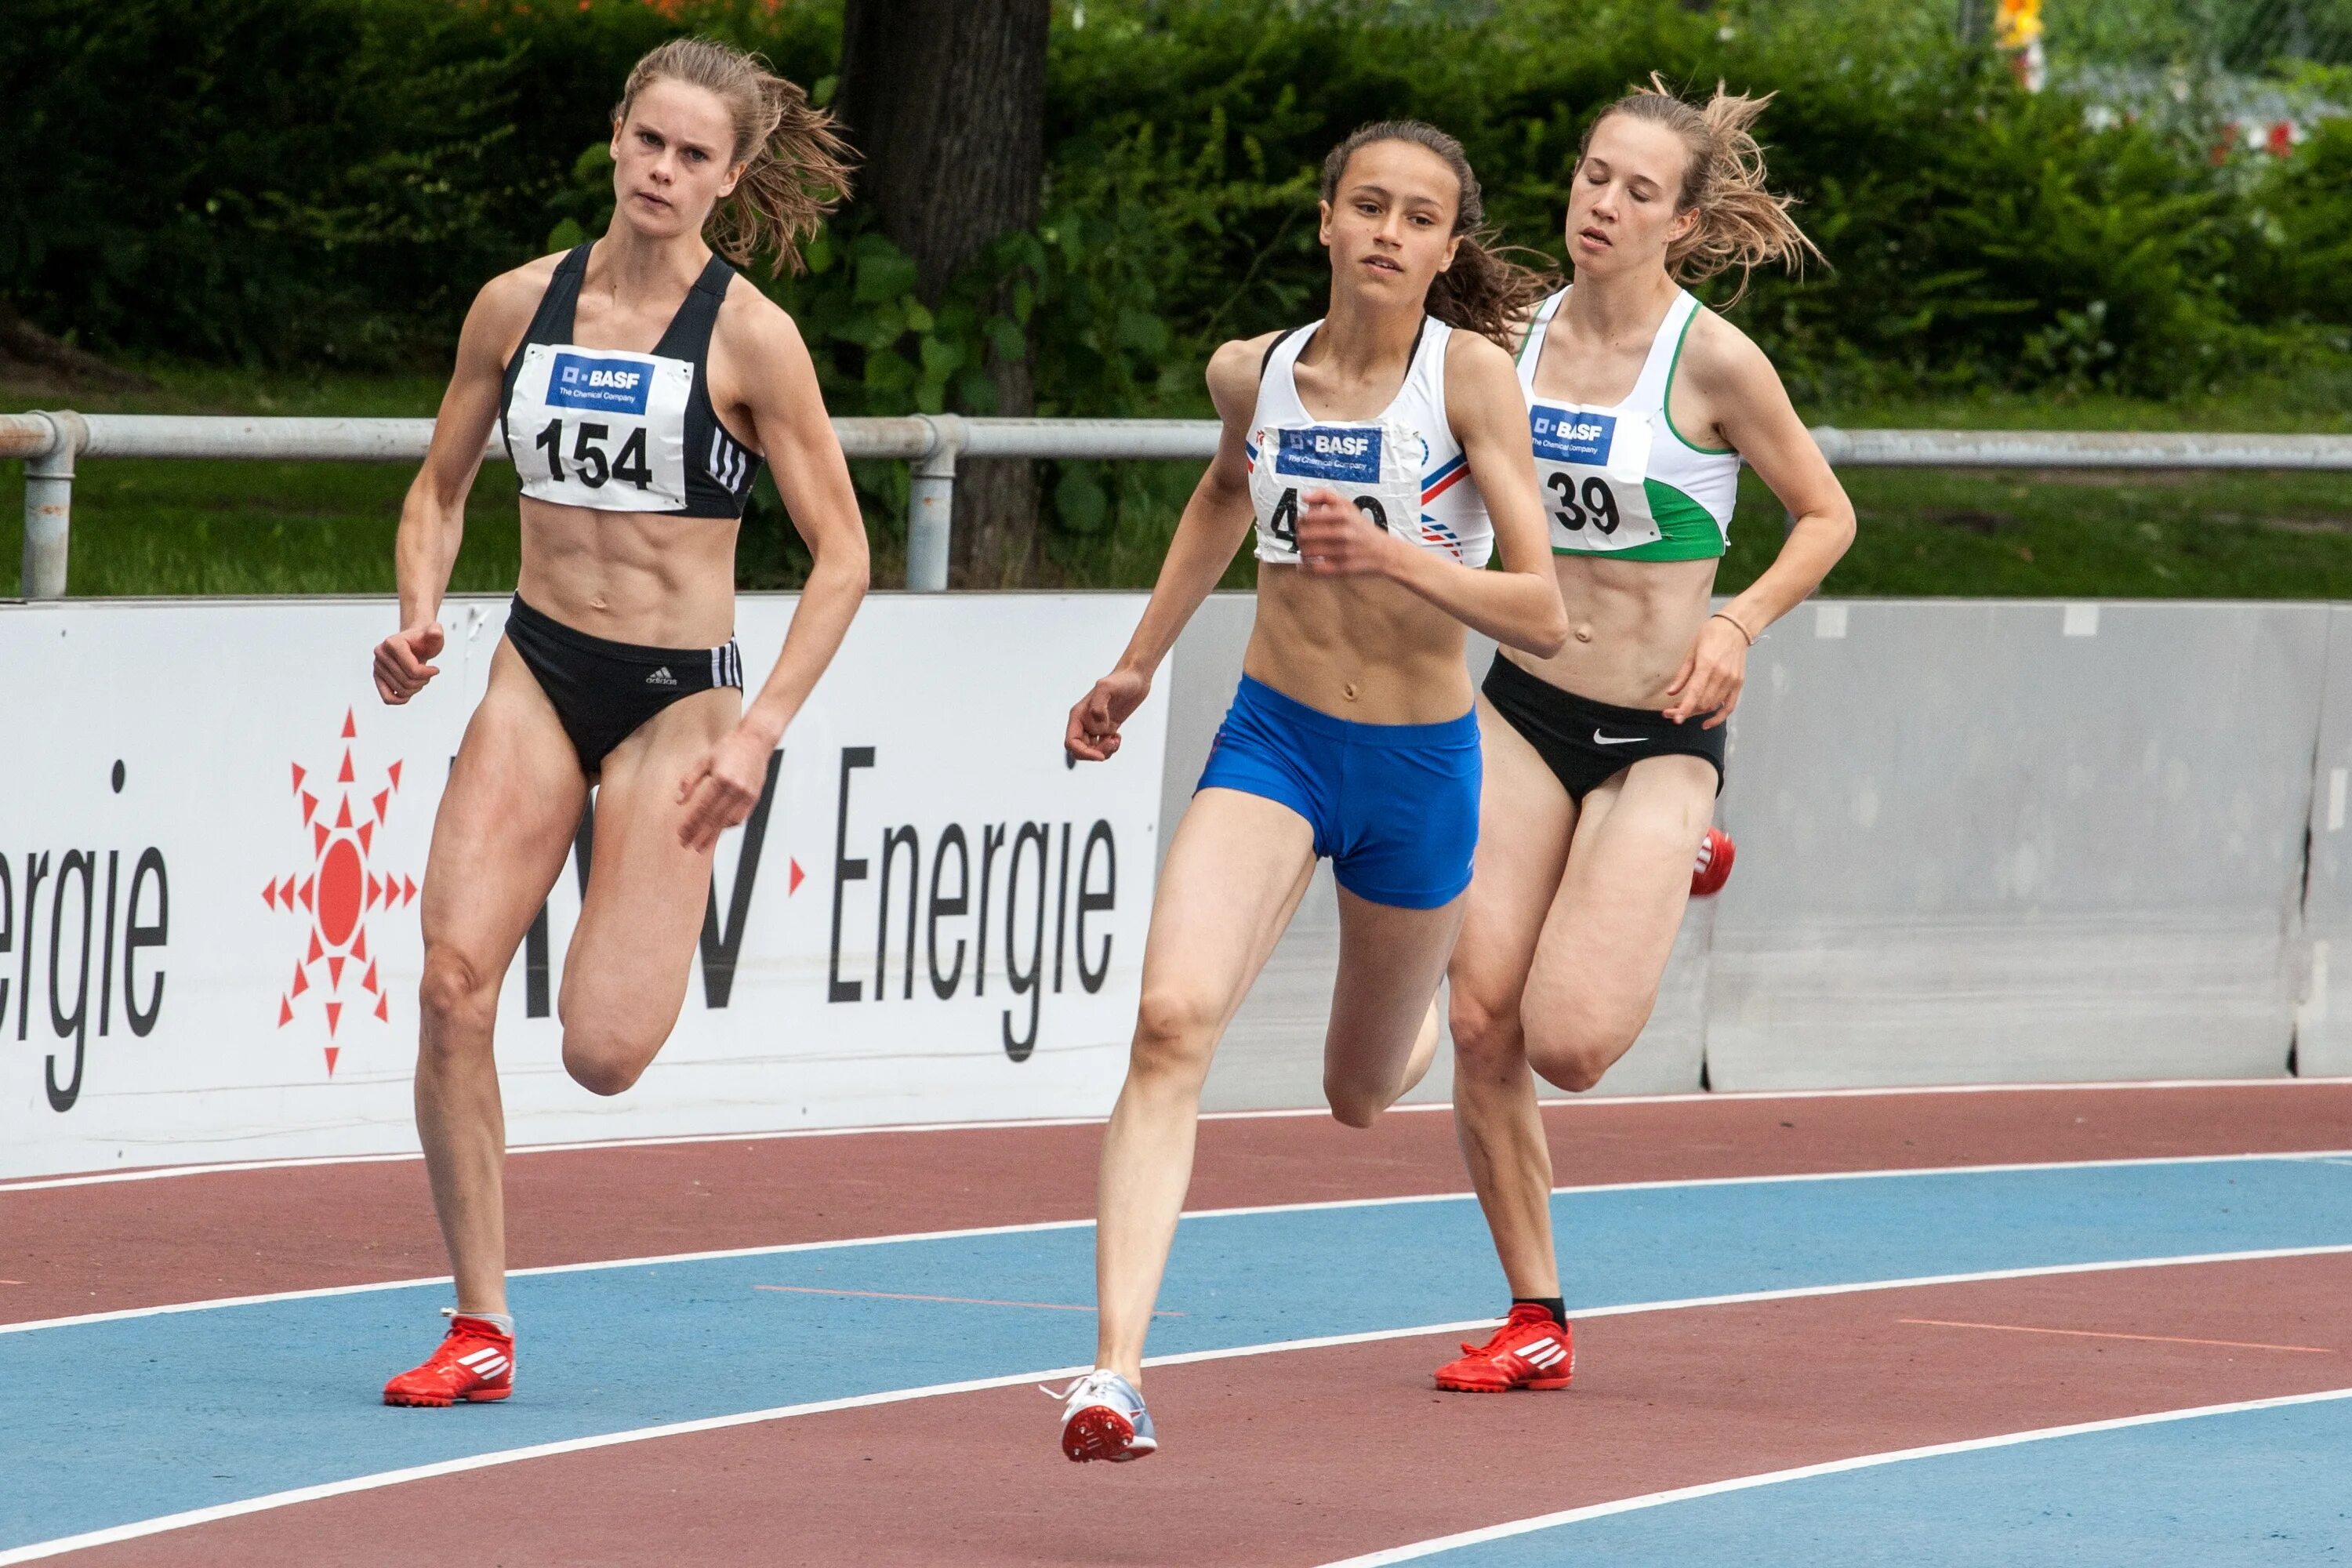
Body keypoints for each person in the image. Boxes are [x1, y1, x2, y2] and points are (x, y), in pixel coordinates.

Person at [1052, 121, 1570, 1461]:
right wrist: (1134, 665)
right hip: (1274, 739)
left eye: (1421, 218)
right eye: (1370, 207)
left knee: (1356, 1092)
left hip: (1417, 767)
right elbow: (1224, 495)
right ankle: (1113, 1375)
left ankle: (1415, 1020)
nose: (1391, 234)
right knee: (1171, 1021)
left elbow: (1544, 610)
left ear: (1450, 248)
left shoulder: (1469, 386)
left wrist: (1401, 560)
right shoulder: (1256, 371)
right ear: (1327, 220)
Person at [369, 38, 868, 1406]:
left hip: (673, 710)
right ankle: (481, 1325)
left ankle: (651, 898)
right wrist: (420, 610)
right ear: (614, 137)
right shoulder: (516, 305)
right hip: (537, 670)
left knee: (600, 1054)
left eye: (694, 155)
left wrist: (758, 731)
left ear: (733, 173)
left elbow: (844, 557)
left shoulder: (751, 337)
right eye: (648, 141)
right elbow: (438, 487)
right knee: (451, 984)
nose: (663, 170)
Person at [1431, 79, 1854, 1396]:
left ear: (1682, 218)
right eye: (1590, 176)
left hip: (1661, 729)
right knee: (1483, 1016)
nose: (1601, 205)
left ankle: (1681, 847)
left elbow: (1826, 515)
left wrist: (1739, 622)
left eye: (1636, 190)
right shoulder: (1505, 334)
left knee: (1572, 1042)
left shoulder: (1713, 359)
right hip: (1523, 706)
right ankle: (1535, 1311)